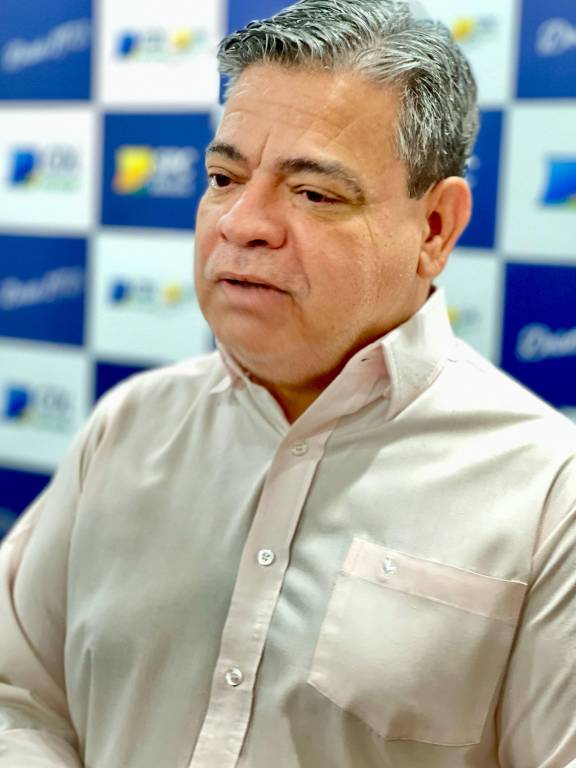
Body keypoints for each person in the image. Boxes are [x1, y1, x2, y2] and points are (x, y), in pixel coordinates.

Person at [1, 0, 575, 766]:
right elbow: (18, 693)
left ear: (435, 227)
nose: (242, 222)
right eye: (223, 177)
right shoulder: (128, 425)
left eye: (313, 193)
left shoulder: (549, 492)